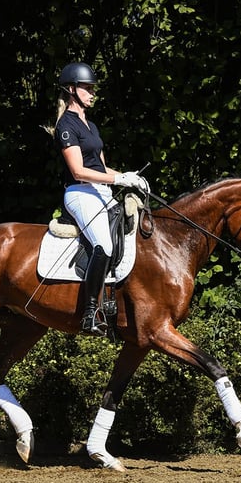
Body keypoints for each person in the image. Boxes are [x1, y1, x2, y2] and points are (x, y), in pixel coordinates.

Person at [53, 61, 148, 336]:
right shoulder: (66, 126)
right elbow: (79, 171)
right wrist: (119, 180)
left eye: (93, 88)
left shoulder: (91, 125)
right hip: (80, 193)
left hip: (100, 190)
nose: (93, 93)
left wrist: (129, 176)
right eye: (88, 88)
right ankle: (89, 312)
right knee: (103, 245)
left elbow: (101, 169)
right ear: (71, 90)